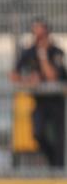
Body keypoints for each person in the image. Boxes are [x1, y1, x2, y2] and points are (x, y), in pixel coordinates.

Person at [10, 18, 67, 168]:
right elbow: (14, 75)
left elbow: (52, 76)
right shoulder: (28, 52)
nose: (39, 38)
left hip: (56, 101)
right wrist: (28, 79)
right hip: (40, 101)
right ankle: (53, 163)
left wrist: (42, 55)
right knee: (37, 133)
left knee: (60, 138)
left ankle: (59, 168)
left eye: (41, 34)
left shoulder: (56, 52)